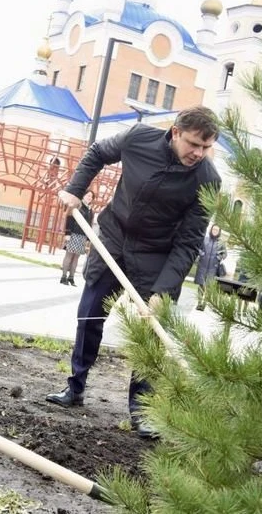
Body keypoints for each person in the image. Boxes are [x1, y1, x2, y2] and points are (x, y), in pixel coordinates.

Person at [44, 106, 222, 439]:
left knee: (152, 331)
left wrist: (163, 290)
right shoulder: (138, 138)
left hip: (158, 255)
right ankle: (75, 386)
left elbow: (188, 242)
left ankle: (141, 411)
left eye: (205, 147)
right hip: (114, 238)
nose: (198, 153)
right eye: (193, 144)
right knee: (90, 314)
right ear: (175, 132)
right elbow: (97, 153)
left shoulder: (207, 180)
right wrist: (75, 189)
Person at [60, 189, 94, 286]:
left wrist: (88, 238)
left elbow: (89, 224)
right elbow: (69, 218)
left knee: (76, 258)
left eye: (91, 197)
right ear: (83, 196)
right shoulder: (77, 205)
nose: (89, 198)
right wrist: (67, 233)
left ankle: (71, 278)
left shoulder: (90, 210)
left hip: (82, 236)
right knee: (69, 255)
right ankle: (63, 277)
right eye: (88, 195)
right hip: (73, 234)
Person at [193, 223, 227, 311]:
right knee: (201, 285)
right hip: (202, 266)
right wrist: (201, 254)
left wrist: (219, 257)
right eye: (213, 229)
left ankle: (204, 304)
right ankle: (199, 303)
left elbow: (225, 254)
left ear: (219, 232)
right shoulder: (205, 239)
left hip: (213, 267)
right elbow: (197, 248)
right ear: (211, 230)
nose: (214, 231)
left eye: (217, 230)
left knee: (208, 286)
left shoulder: (221, 243)